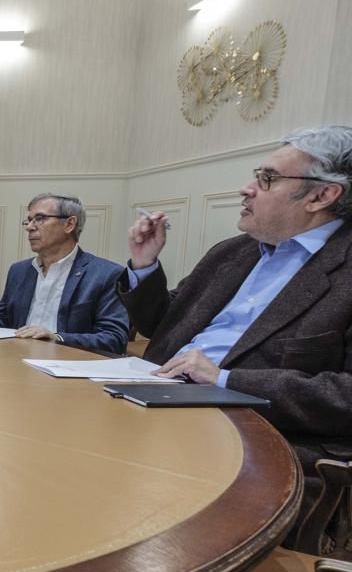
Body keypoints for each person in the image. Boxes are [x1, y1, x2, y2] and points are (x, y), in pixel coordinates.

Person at [121, 125, 352, 484]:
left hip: (252, 434)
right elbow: (161, 325)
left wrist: (225, 379)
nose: (246, 189)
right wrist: (144, 265)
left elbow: (345, 395)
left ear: (321, 195)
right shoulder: (232, 251)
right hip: (151, 396)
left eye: (267, 178)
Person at [0, 192, 129, 355]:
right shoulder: (19, 271)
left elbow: (114, 339)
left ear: (69, 224)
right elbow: (6, 322)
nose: (30, 227)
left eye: (40, 219)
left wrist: (57, 338)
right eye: (29, 220)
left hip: (70, 369)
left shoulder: (106, 274)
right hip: (16, 362)